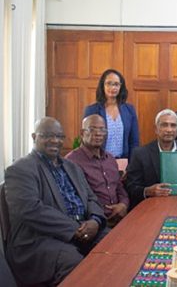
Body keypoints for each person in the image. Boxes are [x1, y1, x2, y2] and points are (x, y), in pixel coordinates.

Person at [4, 117, 107, 286]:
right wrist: (75, 230)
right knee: (75, 264)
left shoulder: (72, 167)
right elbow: (31, 210)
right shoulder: (20, 169)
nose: (55, 140)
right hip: (40, 240)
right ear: (33, 137)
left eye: (59, 136)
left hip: (82, 229)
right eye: (47, 135)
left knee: (115, 244)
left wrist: (95, 221)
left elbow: (91, 198)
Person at [126, 109, 177, 208]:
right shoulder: (140, 153)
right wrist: (148, 191)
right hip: (152, 208)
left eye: (173, 125)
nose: (169, 130)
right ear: (156, 129)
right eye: (164, 125)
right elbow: (131, 187)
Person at [66, 114, 129, 227]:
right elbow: (78, 198)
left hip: (120, 218)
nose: (98, 133)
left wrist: (123, 205)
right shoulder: (71, 161)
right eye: (92, 129)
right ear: (82, 133)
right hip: (95, 223)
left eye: (102, 129)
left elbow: (119, 188)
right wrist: (100, 216)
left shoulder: (110, 159)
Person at [84, 68, 139, 159]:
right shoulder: (92, 110)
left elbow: (134, 142)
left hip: (123, 162)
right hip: (99, 161)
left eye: (116, 84)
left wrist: (131, 164)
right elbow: (86, 141)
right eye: (109, 83)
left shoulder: (129, 110)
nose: (113, 88)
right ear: (103, 85)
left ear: (121, 87)